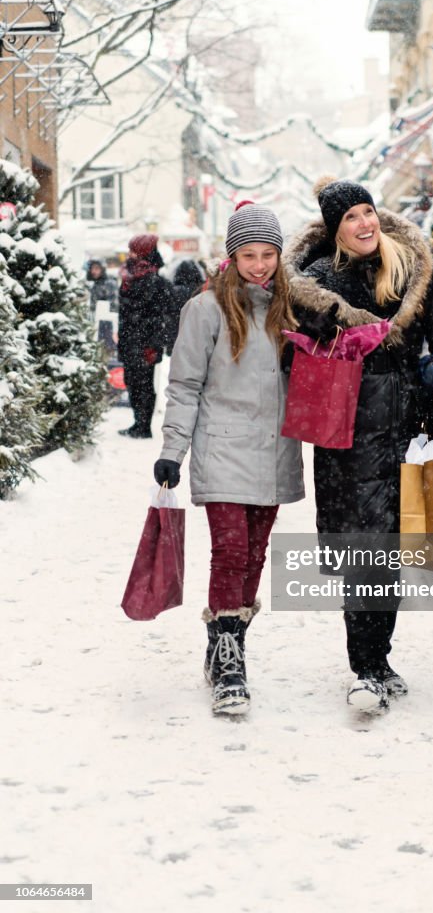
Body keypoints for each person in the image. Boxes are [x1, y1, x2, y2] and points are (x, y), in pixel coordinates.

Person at [284, 176, 433, 713]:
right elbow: (291, 359)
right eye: (351, 217)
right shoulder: (318, 281)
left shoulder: (411, 269)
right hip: (347, 433)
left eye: (367, 211)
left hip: (408, 431)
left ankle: (380, 658)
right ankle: (364, 667)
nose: (364, 223)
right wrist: (318, 330)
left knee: (392, 549)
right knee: (360, 548)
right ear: (335, 229)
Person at [153, 202, 304, 717]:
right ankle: (230, 658)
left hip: (274, 451)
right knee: (231, 552)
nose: (259, 264)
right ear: (231, 255)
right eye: (248, 254)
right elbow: (185, 385)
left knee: (256, 555)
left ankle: (227, 640)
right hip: (222, 449)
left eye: (268, 255)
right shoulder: (205, 310)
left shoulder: (291, 310)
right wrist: (173, 449)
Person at [117, 234, 174, 439]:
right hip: (130, 339)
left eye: (133, 250)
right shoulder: (130, 276)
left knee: (144, 384)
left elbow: (159, 316)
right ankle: (137, 422)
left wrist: (153, 344)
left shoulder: (154, 281)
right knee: (131, 381)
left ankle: (143, 426)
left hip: (145, 343)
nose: (129, 254)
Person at [167, 259, 206, 352]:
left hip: (177, 335)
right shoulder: (201, 290)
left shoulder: (173, 291)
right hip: (197, 335)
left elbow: (170, 315)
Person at [86, 258, 118, 353]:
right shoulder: (94, 284)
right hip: (95, 322)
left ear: (102, 269)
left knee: (105, 351)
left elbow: (114, 305)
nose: (93, 271)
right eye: (92, 269)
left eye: (97, 268)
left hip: (106, 325)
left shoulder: (109, 283)